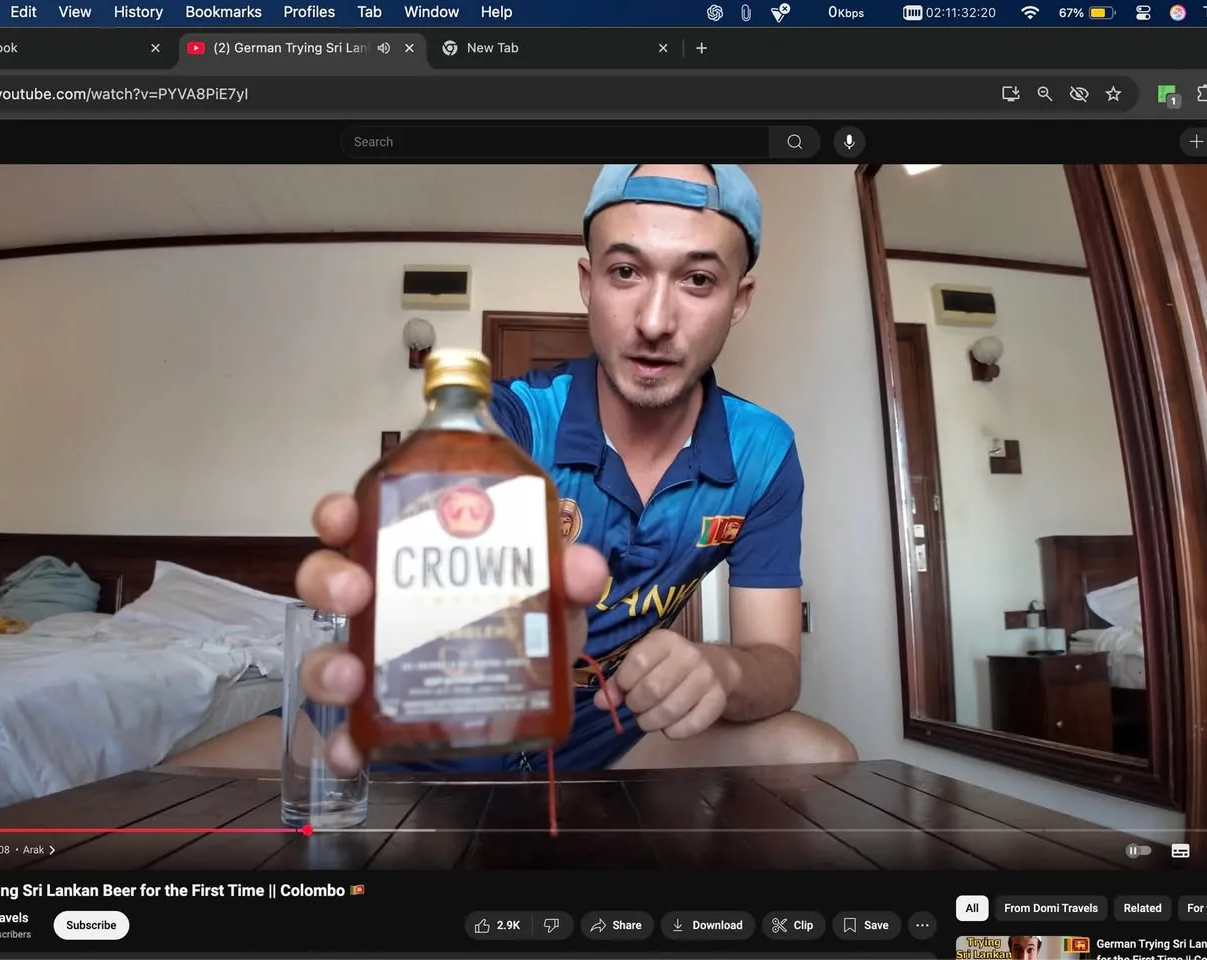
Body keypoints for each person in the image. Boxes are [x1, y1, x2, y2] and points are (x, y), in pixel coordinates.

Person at [172, 163, 858, 775]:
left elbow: (777, 663)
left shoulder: (763, 452)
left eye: (698, 280)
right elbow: (461, 463)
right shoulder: (520, 417)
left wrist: (723, 670)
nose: (655, 319)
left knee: (823, 756)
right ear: (589, 283)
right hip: (417, 720)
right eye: (626, 272)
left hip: (594, 728)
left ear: (739, 299)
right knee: (166, 795)